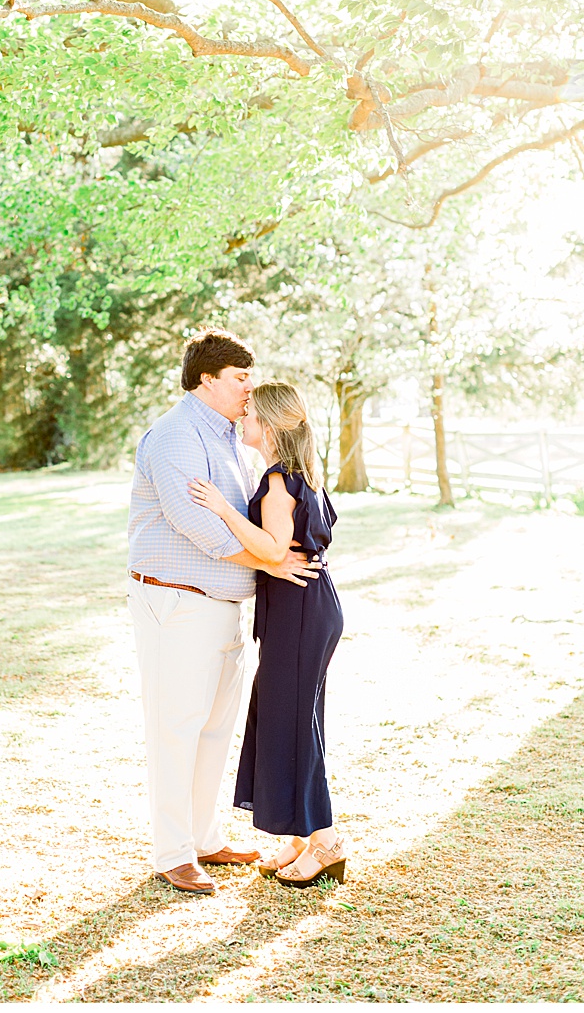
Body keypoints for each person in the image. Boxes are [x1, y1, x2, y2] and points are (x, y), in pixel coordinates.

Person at [126, 329, 319, 896]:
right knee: (176, 728)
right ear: (206, 380)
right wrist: (275, 563)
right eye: (240, 378)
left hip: (224, 606)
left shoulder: (232, 437)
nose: (249, 388)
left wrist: (270, 558)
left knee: (213, 730)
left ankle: (205, 838)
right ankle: (173, 853)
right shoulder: (175, 436)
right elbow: (198, 525)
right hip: (178, 600)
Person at [189, 380, 348, 887]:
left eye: (252, 413)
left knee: (294, 723)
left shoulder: (279, 481)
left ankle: (326, 842)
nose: (244, 419)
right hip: (304, 608)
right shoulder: (301, 475)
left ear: (272, 426)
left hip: (300, 611)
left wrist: (222, 508)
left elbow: (276, 549)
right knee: (287, 718)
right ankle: (301, 837)